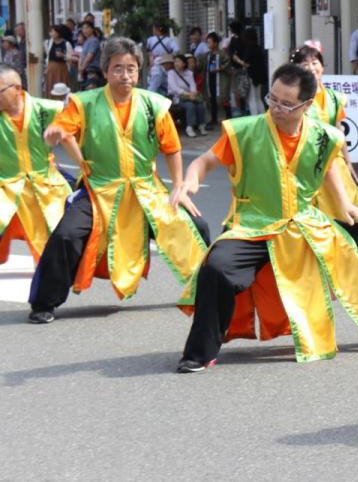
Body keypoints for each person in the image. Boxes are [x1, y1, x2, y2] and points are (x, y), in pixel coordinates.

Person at [173, 63, 358, 372]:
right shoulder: (244, 131)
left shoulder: (323, 136)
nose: (276, 108)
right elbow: (204, 162)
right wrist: (189, 181)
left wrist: (345, 206)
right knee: (217, 268)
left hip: (305, 222)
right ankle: (199, 351)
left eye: (286, 104)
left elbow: (327, 167)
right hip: (254, 226)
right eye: (272, 99)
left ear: (307, 105)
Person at [27, 37, 211, 324]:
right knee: (66, 235)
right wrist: (54, 133)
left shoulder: (154, 105)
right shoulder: (83, 103)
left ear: (139, 71)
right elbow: (61, 128)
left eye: (131, 69)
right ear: (105, 71)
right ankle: (44, 302)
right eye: (117, 69)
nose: (125, 75)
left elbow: (172, 149)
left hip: (145, 190)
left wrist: (178, 188)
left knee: (196, 226)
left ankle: (207, 293)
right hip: (99, 189)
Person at [290, 44, 358, 221]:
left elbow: (339, 132)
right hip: (307, 164)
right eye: (304, 64)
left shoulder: (334, 97)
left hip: (334, 163)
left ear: (322, 66)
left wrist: (349, 162)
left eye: (314, 62)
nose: (311, 67)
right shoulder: (294, 97)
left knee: (348, 213)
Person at [0, 63, 73, 264]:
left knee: (46, 250)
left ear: (17, 88)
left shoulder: (47, 109)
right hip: (5, 187)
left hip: (43, 186)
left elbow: (80, 127)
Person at [167, 53, 208, 138]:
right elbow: (174, 88)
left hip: (190, 96)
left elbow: (193, 85)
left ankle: (201, 125)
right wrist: (187, 94)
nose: (176, 63)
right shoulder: (171, 73)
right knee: (190, 106)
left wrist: (193, 93)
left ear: (184, 63)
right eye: (175, 61)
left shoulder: (189, 73)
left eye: (178, 61)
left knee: (200, 105)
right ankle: (189, 127)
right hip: (177, 98)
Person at [197, 32, 230, 128]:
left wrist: (220, 69)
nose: (208, 44)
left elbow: (227, 64)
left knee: (223, 98)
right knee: (211, 99)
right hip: (209, 79)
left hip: (220, 80)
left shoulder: (222, 53)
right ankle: (213, 118)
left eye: (210, 42)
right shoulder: (206, 55)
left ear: (215, 43)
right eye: (207, 42)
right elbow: (200, 66)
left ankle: (228, 117)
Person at [239, 28, 267, 115]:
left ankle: (255, 118)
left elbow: (246, 63)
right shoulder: (258, 47)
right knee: (258, 98)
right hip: (259, 76)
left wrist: (237, 59)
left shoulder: (249, 48)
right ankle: (262, 117)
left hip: (251, 76)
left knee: (252, 99)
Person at [145, 24, 178, 95]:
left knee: (153, 86)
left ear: (158, 29)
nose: (153, 30)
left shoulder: (150, 39)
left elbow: (145, 49)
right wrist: (170, 57)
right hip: (166, 63)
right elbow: (177, 50)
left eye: (154, 28)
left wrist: (150, 56)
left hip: (155, 64)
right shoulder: (169, 40)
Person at [44, 25, 71, 93]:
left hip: (61, 68)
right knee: (51, 85)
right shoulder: (48, 43)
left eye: (53, 31)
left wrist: (63, 55)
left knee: (61, 86)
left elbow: (71, 57)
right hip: (51, 68)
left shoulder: (66, 43)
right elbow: (47, 55)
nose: (51, 34)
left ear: (58, 32)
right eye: (50, 32)